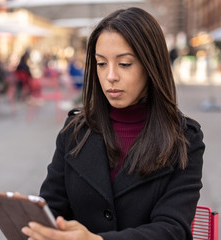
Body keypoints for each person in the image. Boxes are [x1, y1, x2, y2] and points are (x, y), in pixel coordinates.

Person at [21, 7, 205, 240]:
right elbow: (51, 207)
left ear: (152, 66)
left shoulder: (184, 139)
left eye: (125, 64)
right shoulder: (76, 130)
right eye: (101, 64)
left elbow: (172, 229)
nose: (110, 76)